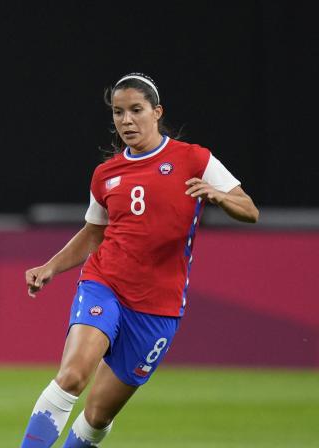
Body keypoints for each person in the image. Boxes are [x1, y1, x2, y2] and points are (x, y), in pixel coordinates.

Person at [19, 72, 258, 447]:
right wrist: (50, 266)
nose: (126, 120)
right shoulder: (106, 174)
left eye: (135, 110)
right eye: (118, 113)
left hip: (157, 308)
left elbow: (250, 210)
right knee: (72, 376)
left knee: (98, 416)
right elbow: (94, 233)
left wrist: (221, 197)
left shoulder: (194, 158)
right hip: (105, 284)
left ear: (156, 112)